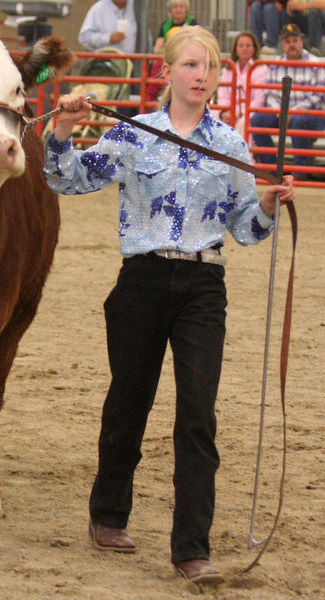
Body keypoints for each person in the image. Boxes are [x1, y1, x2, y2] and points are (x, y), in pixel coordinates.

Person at [43, 25, 294, 585]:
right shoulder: (133, 135)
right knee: (129, 401)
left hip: (204, 285)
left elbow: (246, 230)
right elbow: (67, 178)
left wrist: (270, 207)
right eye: (189, 65)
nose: (200, 75)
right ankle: (108, 517)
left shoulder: (228, 144)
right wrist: (61, 131)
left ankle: (191, 549)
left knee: (197, 414)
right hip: (142, 279)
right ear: (166, 72)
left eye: (209, 67)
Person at [251, 23, 325, 178]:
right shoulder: (276, 64)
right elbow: (270, 94)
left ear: (301, 42)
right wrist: (282, 112)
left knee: (298, 120)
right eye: (288, 41)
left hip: (312, 115)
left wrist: (292, 112)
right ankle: (272, 169)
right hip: (281, 113)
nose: (292, 44)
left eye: (295, 40)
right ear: (282, 44)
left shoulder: (316, 63)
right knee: (257, 120)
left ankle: (300, 172)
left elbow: (318, 97)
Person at [215, 31, 268, 136]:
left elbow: (259, 100)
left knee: (243, 123)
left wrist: (240, 113)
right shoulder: (228, 69)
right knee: (213, 117)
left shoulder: (261, 68)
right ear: (236, 49)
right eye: (241, 45)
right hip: (230, 109)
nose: (244, 48)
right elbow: (223, 96)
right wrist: (224, 112)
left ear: (254, 49)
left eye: (248, 45)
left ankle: (243, 152)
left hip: (250, 110)